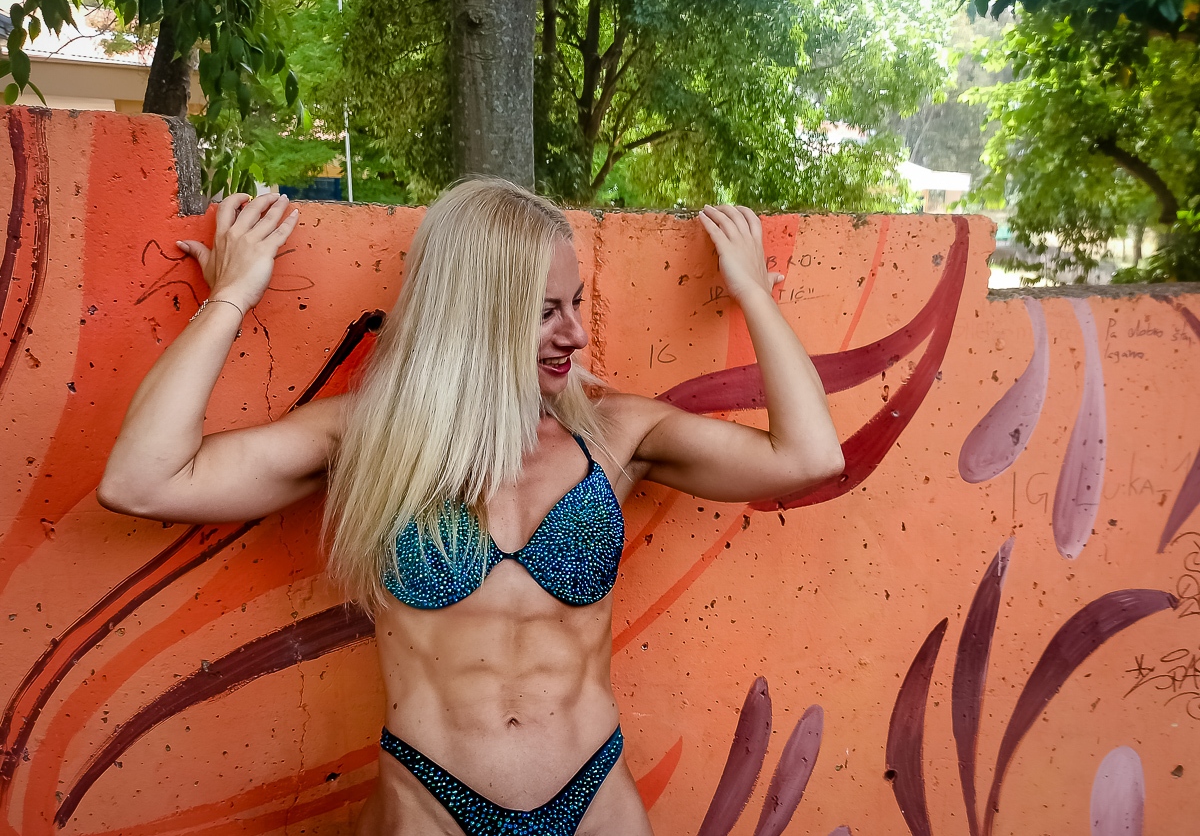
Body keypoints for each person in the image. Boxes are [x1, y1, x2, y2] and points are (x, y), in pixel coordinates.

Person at [98, 179, 844, 836]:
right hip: (428, 804)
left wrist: (753, 293)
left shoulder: (617, 435)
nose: (576, 334)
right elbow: (143, 481)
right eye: (544, 312)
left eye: (576, 302)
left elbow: (809, 457)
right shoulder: (369, 439)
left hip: (596, 799)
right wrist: (233, 295)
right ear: (473, 314)